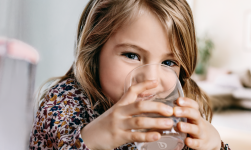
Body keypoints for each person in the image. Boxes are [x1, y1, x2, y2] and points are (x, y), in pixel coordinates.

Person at [29, 0, 231, 149]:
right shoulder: (63, 103)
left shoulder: (179, 111)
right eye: (132, 55)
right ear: (96, 49)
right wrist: (92, 140)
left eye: (168, 63)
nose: (152, 79)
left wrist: (215, 145)